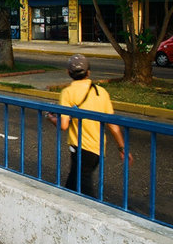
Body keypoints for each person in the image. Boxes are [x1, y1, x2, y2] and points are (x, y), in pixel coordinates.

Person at [47, 54, 132, 197]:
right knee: (72, 184)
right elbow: (113, 124)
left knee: (85, 191)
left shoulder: (68, 92)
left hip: (81, 149)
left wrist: (50, 118)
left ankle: (96, 214)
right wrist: (122, 147)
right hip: (98, 149)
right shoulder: (101, 92)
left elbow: (63, 125)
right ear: (89, 72)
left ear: (68, 73)